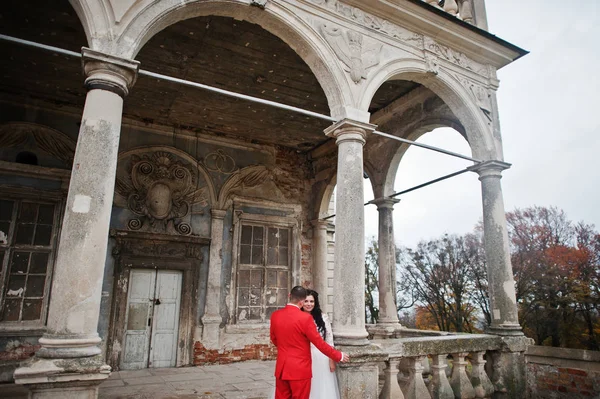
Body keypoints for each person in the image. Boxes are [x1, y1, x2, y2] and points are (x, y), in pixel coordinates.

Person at [270, 286, 349, 399]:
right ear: (302, 301)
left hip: (282, 367)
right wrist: (338, 355)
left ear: (289, 296)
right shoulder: (305, 318)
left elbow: (274, 339)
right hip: (300, 369)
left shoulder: (275, 315)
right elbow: (319, 343)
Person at [302, 289, 341, 399]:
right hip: (302, 355)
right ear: (301, 302)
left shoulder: (322, 317)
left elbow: (329, 339)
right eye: (306, 301)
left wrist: (331, 359)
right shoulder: (297, 316)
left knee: (321, 386)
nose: (309, 304)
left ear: (316, 302)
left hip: (320, 356)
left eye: (312, 301)